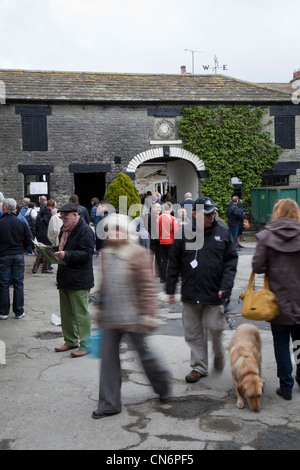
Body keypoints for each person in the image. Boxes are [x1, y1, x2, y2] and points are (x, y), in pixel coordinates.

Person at [92, 213, 170, 419]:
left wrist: (148, 315)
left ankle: (162, 385)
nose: (114, 233)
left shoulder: (140, 254)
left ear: (127, 232)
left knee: (144, 356)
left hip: (134, 317)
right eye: (110, 230)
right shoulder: (106, 254)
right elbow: (104, 284)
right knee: (108, 360)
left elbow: (147, 288)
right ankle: (109, 403)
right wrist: (99, 308)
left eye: (118, 229)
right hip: (110, 316)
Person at [166, 196, 238, 382]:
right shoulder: (183, 234)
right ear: (194, 214)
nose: (211, 217)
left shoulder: (223, 233)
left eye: (213, 213)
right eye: (207, 214)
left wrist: (226, 287)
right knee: (193, 333)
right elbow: (173, 263)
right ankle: (199, 367)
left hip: (215, 292)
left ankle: (218, 352)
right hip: (191, 293)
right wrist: (171, 288)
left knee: (215, 329)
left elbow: (230, 263)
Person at [252, 198, 300, 401]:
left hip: (276, 301)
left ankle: (286, 386)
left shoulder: (267, 236)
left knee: (281, 343)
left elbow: (257, 266)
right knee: (299, 341)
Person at [54, 203, 94, 357]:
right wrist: (49, 250)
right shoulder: (64, 231)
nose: (63, 220)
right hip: (65, 276)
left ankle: (86, 344)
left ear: (76, 215)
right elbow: (61, 249)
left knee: (80, 314)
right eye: (61, 217)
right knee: (66, 313)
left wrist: (67, 255)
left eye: (66, 217)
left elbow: (87, 254)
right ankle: (70, 340)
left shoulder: (85, 230)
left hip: (79, 278)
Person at [0, 198, 32, 320]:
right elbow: (29, 240)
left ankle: (3, 312)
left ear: (4, 208)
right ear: (15, 209)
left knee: (3, 284)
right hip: (18, 254)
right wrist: (22, 247)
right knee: (18, 283)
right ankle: (19, 311)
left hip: (3, 255)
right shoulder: (21, 223)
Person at [157, 202, 179, 283]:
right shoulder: (172, 218)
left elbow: (157, 231)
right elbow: (176, 231)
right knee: (172, 260)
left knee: (163, 259)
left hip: (162, 241)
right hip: (171, 241)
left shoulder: (159, 218)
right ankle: (172, 277)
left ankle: (163, 278)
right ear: (171, 208)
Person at [32, 197, 54, 273]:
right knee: (47, 250)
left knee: (41, 250)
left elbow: (36, 225)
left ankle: (35, 267)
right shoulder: (50, 213)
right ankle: (45, 268)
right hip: (46, 234)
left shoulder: (40, 214)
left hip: (39, 234)